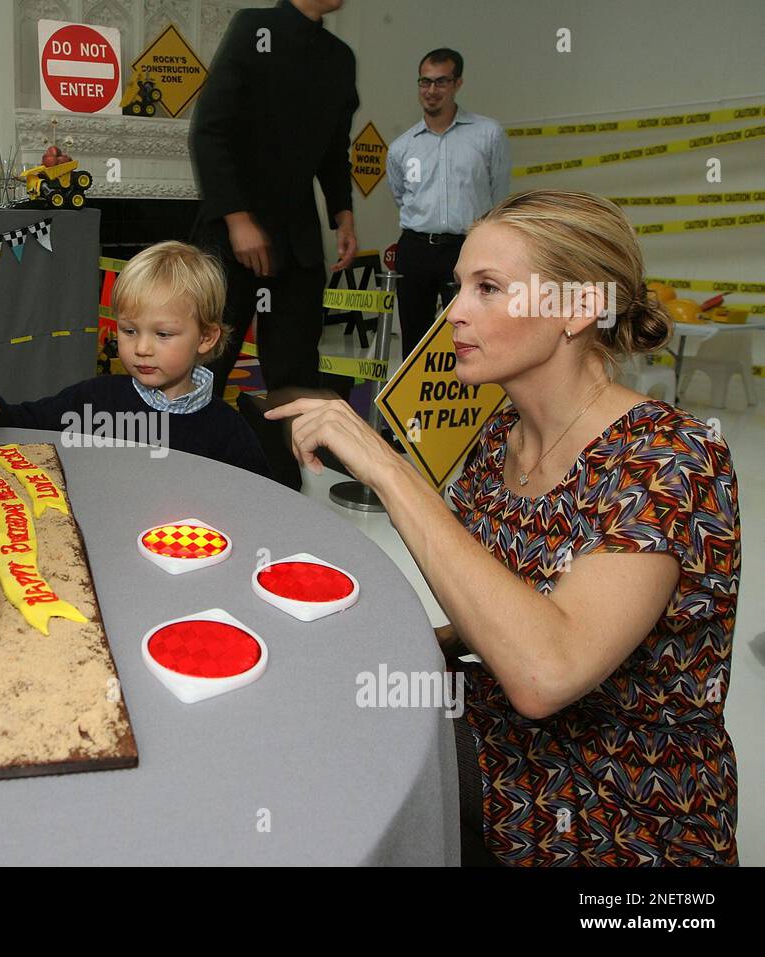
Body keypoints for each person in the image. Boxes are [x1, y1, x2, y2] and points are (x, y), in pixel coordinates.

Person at [268, 189, 740, 866]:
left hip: (619, 808)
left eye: (489, 288)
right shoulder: (500, 438)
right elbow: (511, 601)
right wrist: (401, 643)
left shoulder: (668, 457)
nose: (454, 311)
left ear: (578, 309)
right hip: (502, 744)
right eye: (459, 286)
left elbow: (546, 670)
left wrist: (389, 469)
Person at [0, 241, 271, 479]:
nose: (142, 348)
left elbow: (260, 498)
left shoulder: (228, 432)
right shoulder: (93, 399)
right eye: (130, 330)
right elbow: (26, 421)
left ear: (205, 338)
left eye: (163, 335)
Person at [189, 0, 359, 403]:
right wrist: (238, 220)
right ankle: (185, 459)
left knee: (296, 371)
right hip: (228, 238)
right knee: (205, 363)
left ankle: (286, 464)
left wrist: (343, 214)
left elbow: (335, 148)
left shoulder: (339, 57)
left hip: (296, 245)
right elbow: (209, 131)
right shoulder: (254, 28)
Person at [386, 48, 510, 360]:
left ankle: (471, 404)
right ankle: (414, 406)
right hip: (415, 249)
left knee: (473, 333)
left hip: (468, 247)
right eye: (424, 82)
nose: (431, 91)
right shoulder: (402, 147)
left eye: (441, 82)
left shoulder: (487, 134)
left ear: (457, 84)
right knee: (414, 338)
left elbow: (499, 194)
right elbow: (401, 196)